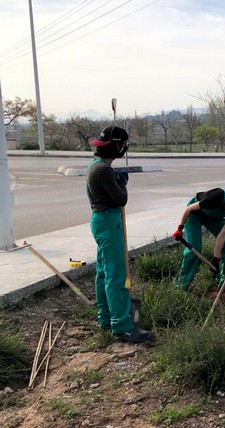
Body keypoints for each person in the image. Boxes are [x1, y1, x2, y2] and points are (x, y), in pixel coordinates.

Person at [86, 126, 152, 343]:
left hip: (101, 219)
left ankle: (106, 317)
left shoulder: (96, 165)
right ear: (115, 146)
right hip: (108, 220)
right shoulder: (103, 170)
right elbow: (121, 199)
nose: (124, 149)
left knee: (104, 271)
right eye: (123, 146)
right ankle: (123, 326)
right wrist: (122, 182)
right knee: (117, 273)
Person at [172, 189, 225, 290]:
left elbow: (221, 236)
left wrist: (216, 259)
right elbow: (188, 209)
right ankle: (181, 285)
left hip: (213, 219)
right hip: (194, 215)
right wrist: (180, 228)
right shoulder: (216, 197)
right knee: (195, 248)